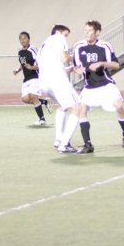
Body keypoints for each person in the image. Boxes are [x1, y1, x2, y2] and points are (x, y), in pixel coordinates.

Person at [72, 20, 124, 153]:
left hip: (106, 84)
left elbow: (116, 65)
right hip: (89, 87)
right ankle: (88, 145)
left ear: (97, 32)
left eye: (90, 30)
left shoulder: (105, 46)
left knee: (119, 106)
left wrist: (101, 63)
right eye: (85, 30)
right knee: (81, 110)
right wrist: (76, 69)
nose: (86, 33)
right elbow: (77, 66)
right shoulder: (78, 47)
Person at [37, 24, 81, 153]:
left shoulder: (44, 45)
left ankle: (58, 139)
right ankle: (65, 144)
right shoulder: (59, 38)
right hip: (57, 81)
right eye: (66, 34)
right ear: (59, 32)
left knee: (64, 106)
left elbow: (54, 67)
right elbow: (65, 58)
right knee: (78, 108)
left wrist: (71, 68)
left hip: (45, 83)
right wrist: (78, 57)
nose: (66, 37)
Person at [13, 31, 52, 125]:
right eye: (21, 38)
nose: (23, 40)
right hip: (26, 78)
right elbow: (23, 63)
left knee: (33, 96)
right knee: (25, 99)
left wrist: (32, 67)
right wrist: (18, 70)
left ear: (28, 39)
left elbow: (41, 63)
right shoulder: (20, 51)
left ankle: (42, 119)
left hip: (35, 76)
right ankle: (44, 102)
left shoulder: (33, 49)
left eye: (25, 38)